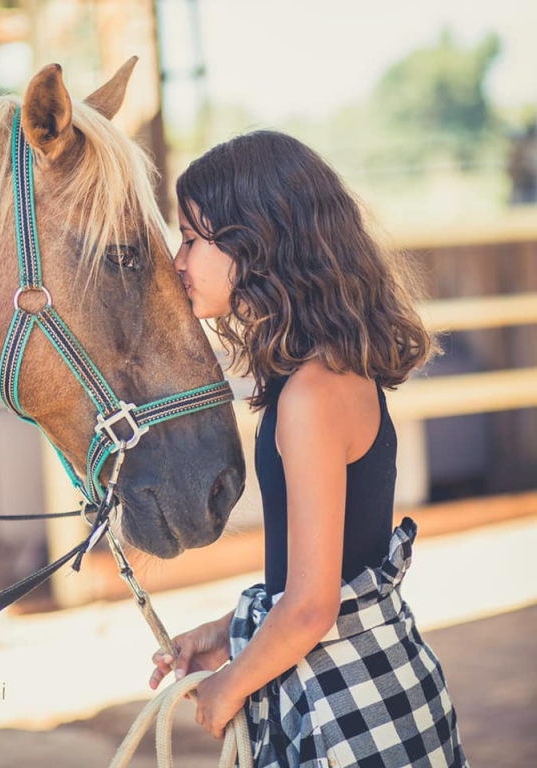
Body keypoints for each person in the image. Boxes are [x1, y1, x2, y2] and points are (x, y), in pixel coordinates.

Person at [149, 131, 468, 767]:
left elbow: (312, 606)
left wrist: (229, 685)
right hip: (367, 691)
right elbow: (334, 575)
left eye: (189, 239)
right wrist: (226, 634)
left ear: (252, 241)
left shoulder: (311, 396)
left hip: (349, 717)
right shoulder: (327, 376)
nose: (177, 261)